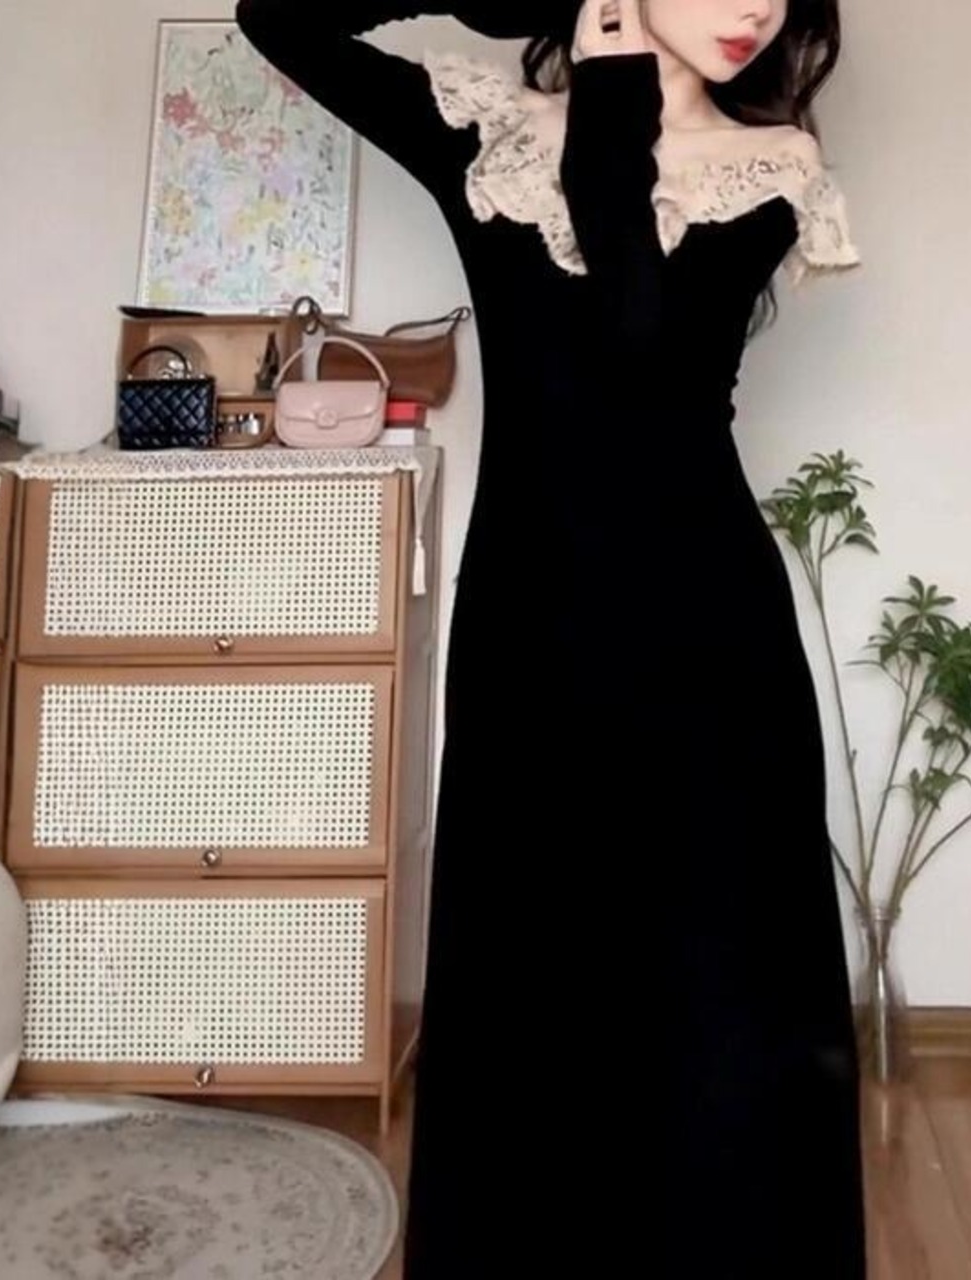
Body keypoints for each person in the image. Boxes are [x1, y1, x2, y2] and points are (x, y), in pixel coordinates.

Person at [233, 1, 866, 1274]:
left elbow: (639, 338)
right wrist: (519, 0)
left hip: (708, 647)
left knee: (717, 1007)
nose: (757, 8)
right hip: (531, 633)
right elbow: (276, 17)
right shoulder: (490, 135)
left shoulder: (768, 168)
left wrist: (616, 98)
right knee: (526, 991)